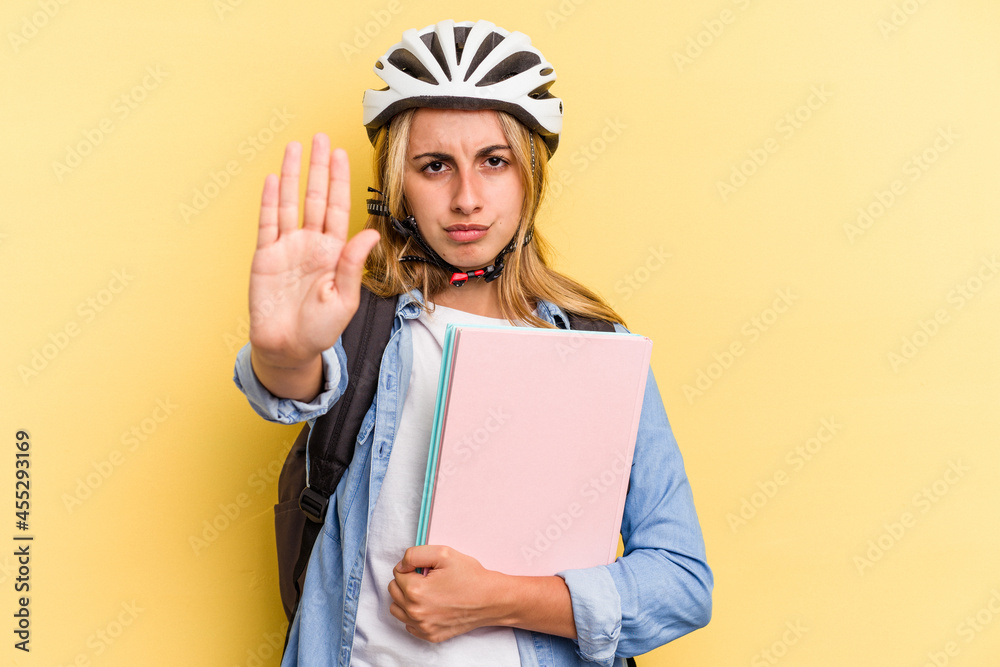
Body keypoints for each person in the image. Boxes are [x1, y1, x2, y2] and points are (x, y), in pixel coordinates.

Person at [234, 19, 712, 667]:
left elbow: (681, 582)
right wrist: (284, 352)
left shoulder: (598, 349)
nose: (466, 198)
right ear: (398, 184)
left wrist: (498, 600)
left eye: (494, 161)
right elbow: (292, 385)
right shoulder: (358, 324)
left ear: (530, 176)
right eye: (435, 166)